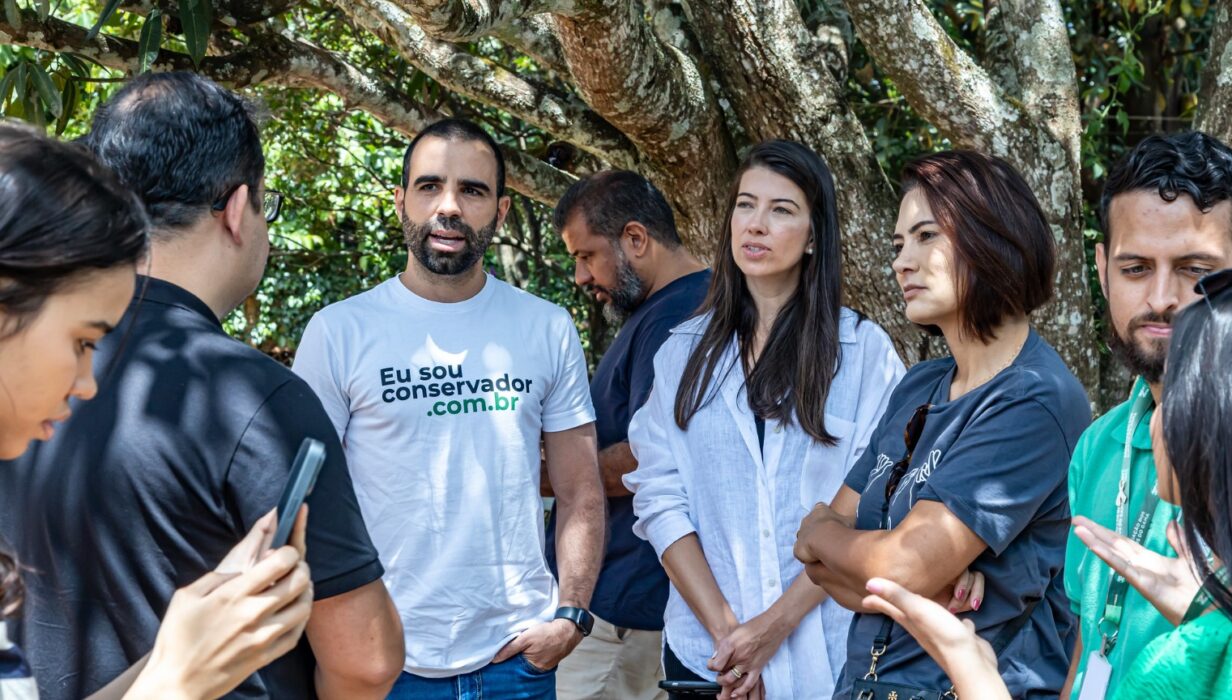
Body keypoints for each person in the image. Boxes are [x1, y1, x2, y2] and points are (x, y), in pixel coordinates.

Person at [0, 74, 405, 700]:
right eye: (84, 340)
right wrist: (177, 678)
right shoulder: (256, 397)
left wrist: (184, 656)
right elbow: (367, 660)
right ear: (239, 208)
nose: (86, 385)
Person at [856, 270, 1232, 699]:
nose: (1156, 406)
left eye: (1176, 381)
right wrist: (1217, 619)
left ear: (1231, 421)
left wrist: (976, 675)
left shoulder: (1184, 665)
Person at [292, 118, 606, 699]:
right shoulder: (338, 332)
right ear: (401, 202)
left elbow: (580, 488)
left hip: (518, 660)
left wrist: (572, 616)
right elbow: (306, 500)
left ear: (503, 212)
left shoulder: (545, 327)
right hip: (383, 660)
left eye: (473, 190)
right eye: (430, 186)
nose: (450, 206)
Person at [792, 150, 1091, 699]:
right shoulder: (920, 387)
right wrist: (877, 565)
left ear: (993, 238)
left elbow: (895, 563)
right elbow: (830, 567)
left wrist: (827, 537)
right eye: (899, 244)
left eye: (927, 236)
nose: (903, 261)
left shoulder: (1034, 399)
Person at [624, 139, 906, 700]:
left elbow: (874, 508)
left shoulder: (863, 353)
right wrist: (732, 640)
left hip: (827, 655)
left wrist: (772, 627)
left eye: (781, 210)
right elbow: (659, 499)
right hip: (707, 660)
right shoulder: (682, 355)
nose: (756, 225)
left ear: (813, 236)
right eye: (746, 205)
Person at [1059, 131, 1232, 699]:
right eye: (1134, 269)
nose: (1160, 298)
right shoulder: (1097, 445)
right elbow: (1088, 648)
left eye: (1192, 268)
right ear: (1101, 268)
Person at [546, 171, 710, 700]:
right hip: (620, 608)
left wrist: (551, 474)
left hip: (625, 617)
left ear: (635, 239)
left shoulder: (678, 316)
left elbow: (653, 458)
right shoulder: (664, 311)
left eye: (587, 255)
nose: (579, 275)